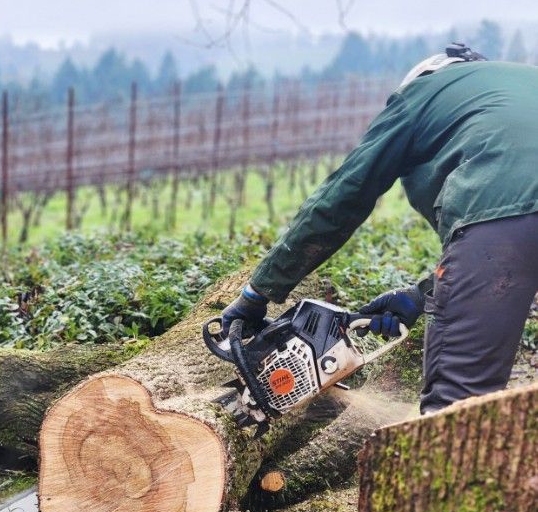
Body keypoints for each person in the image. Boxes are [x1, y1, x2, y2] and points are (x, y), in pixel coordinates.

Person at [221, 43, 538, 414]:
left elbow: (342, 198)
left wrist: (258, 293)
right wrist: (422, 296)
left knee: (455, 413)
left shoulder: (422, 94)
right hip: (511, 223)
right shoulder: (511, 87)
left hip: (506, 219)